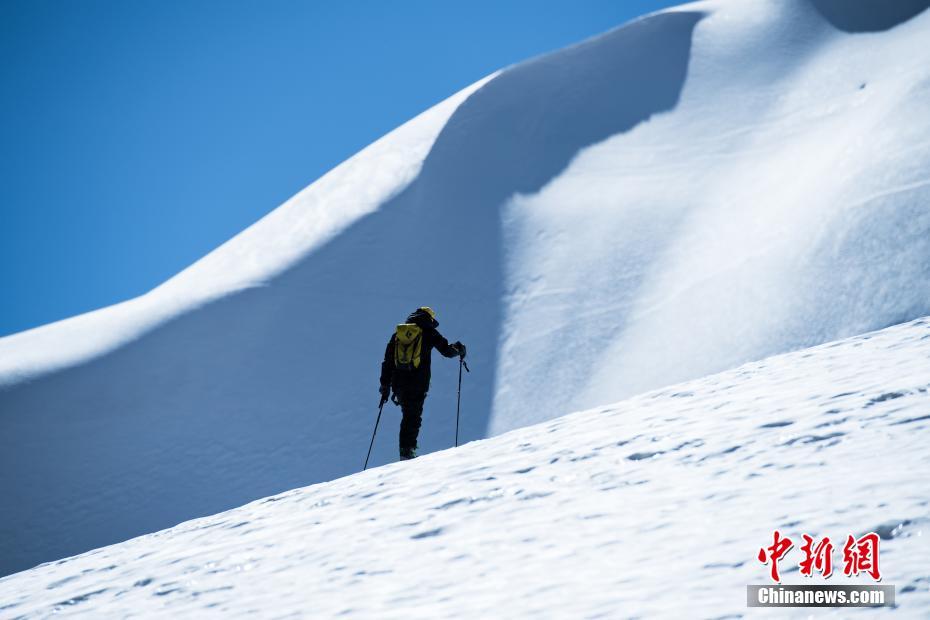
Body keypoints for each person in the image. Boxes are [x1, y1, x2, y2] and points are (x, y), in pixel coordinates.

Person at [379, 307, 466, 460]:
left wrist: (385, 386)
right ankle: (407, 452)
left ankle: (406, 451)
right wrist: (459, 349)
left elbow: (387, 362)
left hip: (398, 385)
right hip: (417, 383)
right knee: (413, 417)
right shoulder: (429, 332)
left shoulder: (397, 336)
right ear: (429, 319)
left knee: (408, 416)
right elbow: (447, 351)